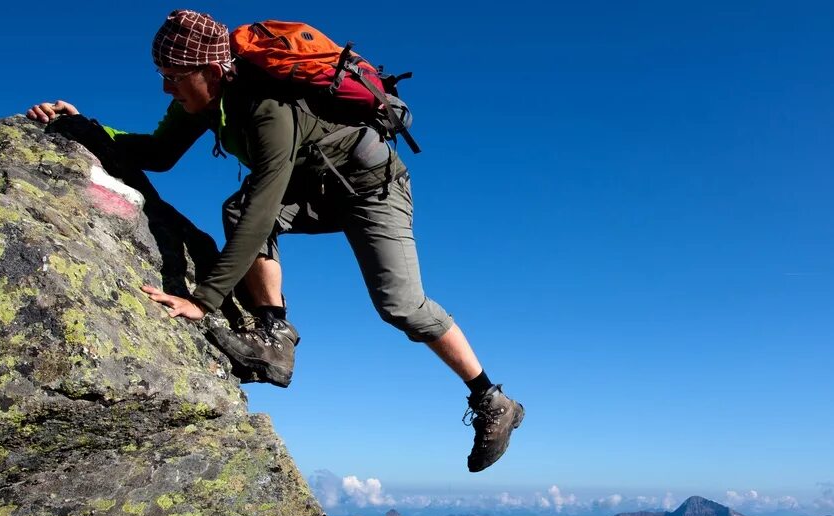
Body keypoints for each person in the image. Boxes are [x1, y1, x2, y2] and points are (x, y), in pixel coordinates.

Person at [26, 9, 523, 472]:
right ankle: (274, 338)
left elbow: (265, 205)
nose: (165, 87)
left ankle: (491, 399)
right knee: (237, 208)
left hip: (373, 190)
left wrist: (204, 300)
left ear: (212, 71)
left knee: (401, 305)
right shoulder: (202, 100)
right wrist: (83, 127)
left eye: (174, 77)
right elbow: (157, 153)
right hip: (314, 186)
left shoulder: (268, 108)